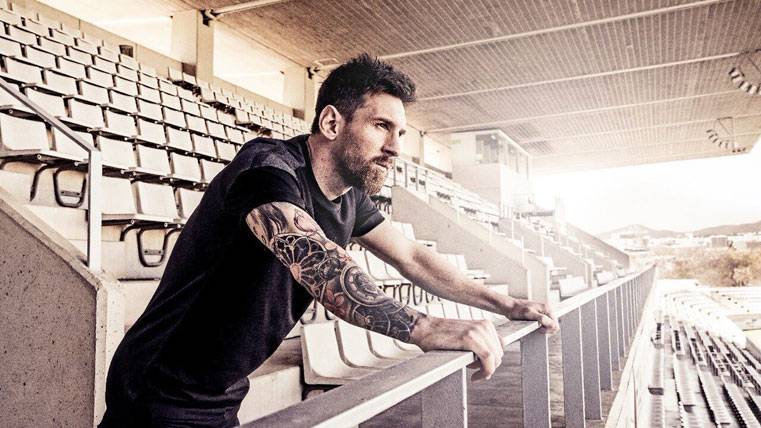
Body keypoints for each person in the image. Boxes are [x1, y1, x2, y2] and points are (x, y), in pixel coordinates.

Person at [99, 53, 559, 427]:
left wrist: (506, 304)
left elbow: (413, 257)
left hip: (221, 389)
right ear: (332, 123)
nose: (396, 147)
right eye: (381, 126)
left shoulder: (349, 198)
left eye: (400, 132)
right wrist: (424, 327)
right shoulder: (268, 169)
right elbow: (316, 261)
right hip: (158, 391)